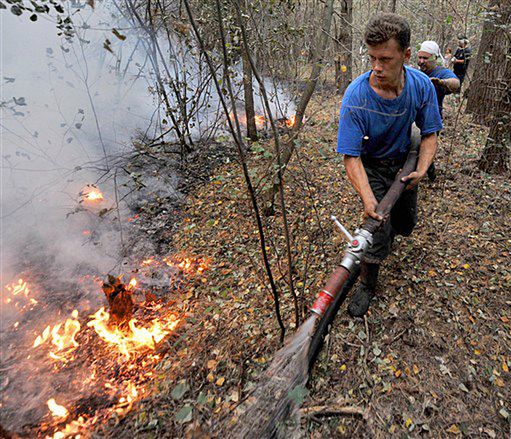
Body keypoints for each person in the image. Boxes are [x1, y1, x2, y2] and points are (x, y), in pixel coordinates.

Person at [337, 13, 443, 317]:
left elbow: (430, 133)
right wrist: (369, 199)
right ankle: (367, 285)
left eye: (385, 58)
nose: (377, 67)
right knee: (377, 229)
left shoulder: (421, 85)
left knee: (407, 224)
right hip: (371, 165)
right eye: (372, 58)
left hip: (405, 163)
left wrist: (422, 169)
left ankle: (392, 230)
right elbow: (350, 156)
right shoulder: (356, 97)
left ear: (406, 55)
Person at [417, 41, 460, 181]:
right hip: (413, 118)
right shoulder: (416, 73)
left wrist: (441, 83)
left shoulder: (441, 72)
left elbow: (456, 84)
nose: (421, 61)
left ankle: (430, 173)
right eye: (420, 57)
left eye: (425, 58)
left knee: (427, 147)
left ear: (434, 58)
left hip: (432, 119)